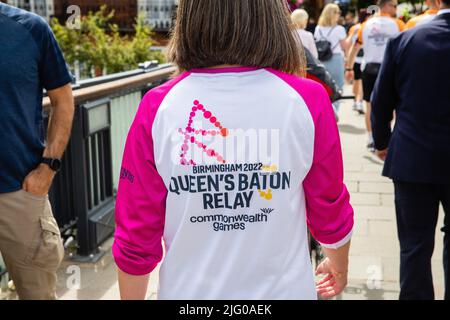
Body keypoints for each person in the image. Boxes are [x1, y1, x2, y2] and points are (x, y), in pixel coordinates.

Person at [113, 0, 354, 300]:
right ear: (271, 17)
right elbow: (329, 207)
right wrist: (339, 265)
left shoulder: (158, 107)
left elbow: (136, 234)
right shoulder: (306, 99)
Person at [371, 0, 450, 300]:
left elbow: (380, 102)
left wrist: (382, 142)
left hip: (413, 156)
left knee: (414, 244)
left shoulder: (406, 40)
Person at [0, 3, 74, 299]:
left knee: (38, 295)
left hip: (20, 192)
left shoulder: (31, 28)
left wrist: (48, 168)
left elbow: (64, 100)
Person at [345, 0, 405, 152]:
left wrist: (349, 67)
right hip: (391, 69)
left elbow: (354, 47)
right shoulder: (398, 24)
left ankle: (371, 138)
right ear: (386, 5)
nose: (395, 9)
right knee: (395, 106)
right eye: (394, 5)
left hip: (370, 69)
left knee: (370, 106)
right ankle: (392, 138)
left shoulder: (366, 25)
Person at [314, 3, 349, 115]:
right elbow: (345, 47)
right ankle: (334, 111)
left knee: (324, 86)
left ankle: (325, 111)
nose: (339, 14)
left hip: (321, 60)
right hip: (336, 59)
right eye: (338, 12)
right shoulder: (339, 29)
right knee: (338, 86)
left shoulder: (318, 28)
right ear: (333, 14)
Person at [345, 9, 371, 115]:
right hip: (357, 58)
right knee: (357, 81)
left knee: (359, 81)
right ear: (365, 17)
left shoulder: (365, 27)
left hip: (361, 58)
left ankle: (358, 101)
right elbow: (349, 44)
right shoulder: (362, 27)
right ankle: (357, 101)